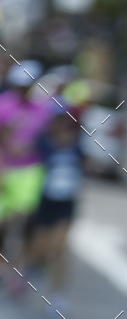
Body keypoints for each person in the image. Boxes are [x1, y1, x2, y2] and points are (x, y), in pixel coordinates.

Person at [0, 60, 52, 294]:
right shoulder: (4, 104)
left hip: (30, 171)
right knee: (3, 222)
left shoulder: (42, 109)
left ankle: (17, 271)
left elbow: (47, 139)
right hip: (6, 167)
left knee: (24, 221)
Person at [27, 109, 84, 311]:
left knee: (60, 249)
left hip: (66, 203)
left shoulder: (78, 144)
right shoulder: (44, 142)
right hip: (45, 201)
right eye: (59, 120)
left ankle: (57, 295)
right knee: (41, 247)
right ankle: (29, 268)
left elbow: (84, 166)